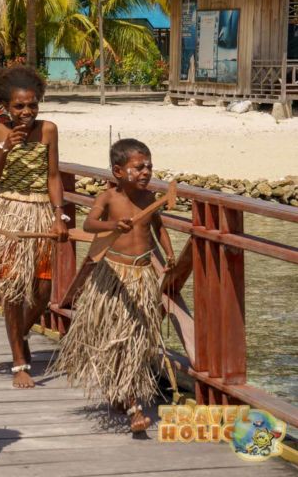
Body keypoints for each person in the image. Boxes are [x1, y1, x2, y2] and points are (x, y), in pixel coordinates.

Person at [52, 139, 175, 433]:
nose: (146, 172)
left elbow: (158, 228)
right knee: (118, 336)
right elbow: (90, 225)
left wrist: (169, 254)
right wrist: (113, 227)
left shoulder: (149, 199)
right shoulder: (108, 198)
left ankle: (123, 391)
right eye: (139, 167)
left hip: (142, 276)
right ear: (119, 171)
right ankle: (134, 409)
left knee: (135, 338)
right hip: (113, 278)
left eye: (149, 166)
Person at [0, 66, 68, 389]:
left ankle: (21, 335)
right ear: (5, 105)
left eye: (32, 105)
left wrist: (59, 214)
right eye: (19, 106)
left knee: (43, 291)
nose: (27, 112)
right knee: (14, 291)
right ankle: (20, 362)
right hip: (8, 216)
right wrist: (7, 148)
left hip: (41, 213)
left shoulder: (49, 130)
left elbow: (54, 176)